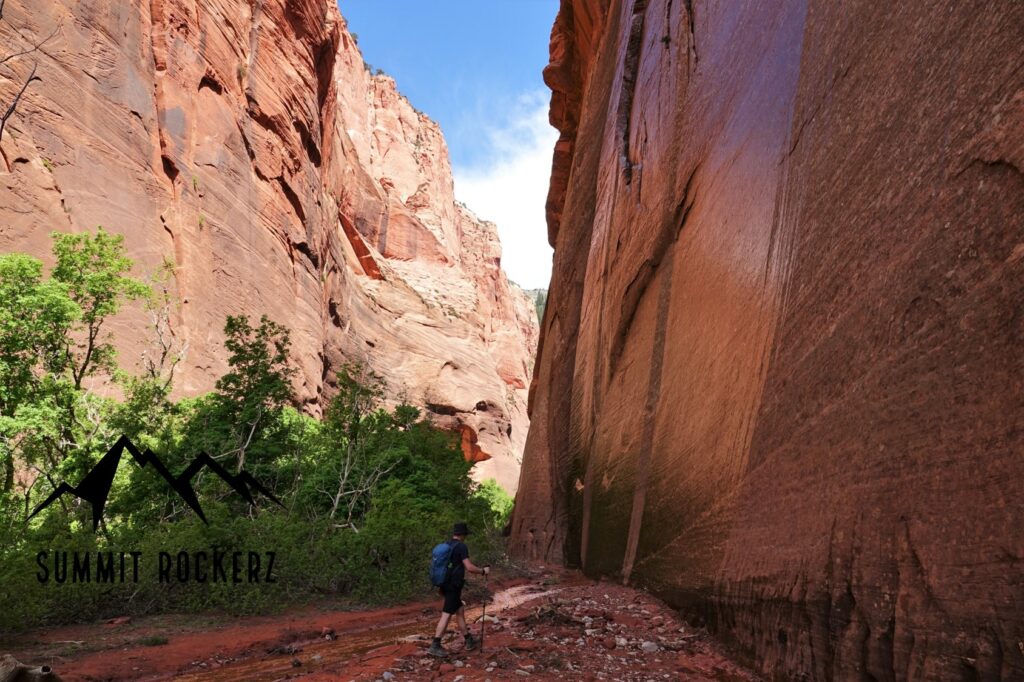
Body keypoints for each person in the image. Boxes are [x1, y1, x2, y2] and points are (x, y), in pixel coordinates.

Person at [428, 522, 490, 657]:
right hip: (453, 586)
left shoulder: (447, 544)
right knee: (446, 614)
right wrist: (483, 571)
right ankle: (435, 644)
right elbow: (469, 567)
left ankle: (468, 640)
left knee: (460, 610)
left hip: (444, 584)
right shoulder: (461, 546)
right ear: (463, 534)